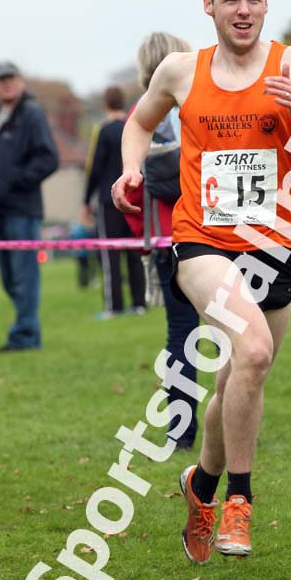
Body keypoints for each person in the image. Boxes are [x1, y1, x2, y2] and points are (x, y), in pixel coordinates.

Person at [112, 0, 291, 563]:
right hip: (203, 241)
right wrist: (131, 170)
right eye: (231, 0)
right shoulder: (179, 71)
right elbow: (139, 124)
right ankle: (239, 503)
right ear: (209, 7)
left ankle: (201, 482)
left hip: (274, 246)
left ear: (266, 4)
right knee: (253, 350)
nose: (243, 10)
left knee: (240, 375)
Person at [125, 32, 200, 450]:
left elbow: (133, 192)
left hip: (165, 240)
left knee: (179, 337)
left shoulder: (141, 118)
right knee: (229, 334)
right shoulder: (198, 107)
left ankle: (180, 431)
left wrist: (144, 239)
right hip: (208, 234)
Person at [0, 61, 59, 352]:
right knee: (8, 277)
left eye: (11, 78)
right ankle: (23, 328)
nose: (6, 84)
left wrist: (15, 180)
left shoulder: (30, 114)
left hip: (22, 208)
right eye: (1, 79)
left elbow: (48, 158)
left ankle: (27, 335)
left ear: (20, 81)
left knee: (24, 274)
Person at [83, 86, 146, 319]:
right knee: (133, 250)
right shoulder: (133, 125)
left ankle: (114, 306)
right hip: (134, 195)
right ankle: (139, 303)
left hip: (109, 199)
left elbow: (94, 167)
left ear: (106, 104)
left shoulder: (103, 130)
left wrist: (85, 200)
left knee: (110, 253)